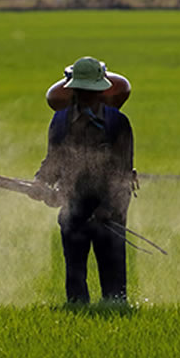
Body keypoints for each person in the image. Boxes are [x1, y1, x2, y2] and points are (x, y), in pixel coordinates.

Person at [29, 57, 136, 304]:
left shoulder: (118, 123)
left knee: (112, 268)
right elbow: (53, 160)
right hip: (73, 204)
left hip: (110, 208)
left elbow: (122, 172)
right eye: (82, 91)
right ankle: (77, 307)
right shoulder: (60, 121)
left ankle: (116, 306)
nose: (86, 96)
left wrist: (107, 209)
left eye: (91, 92)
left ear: (101, 91)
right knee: (74, 268)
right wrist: (40, 182)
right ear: (73, 90)